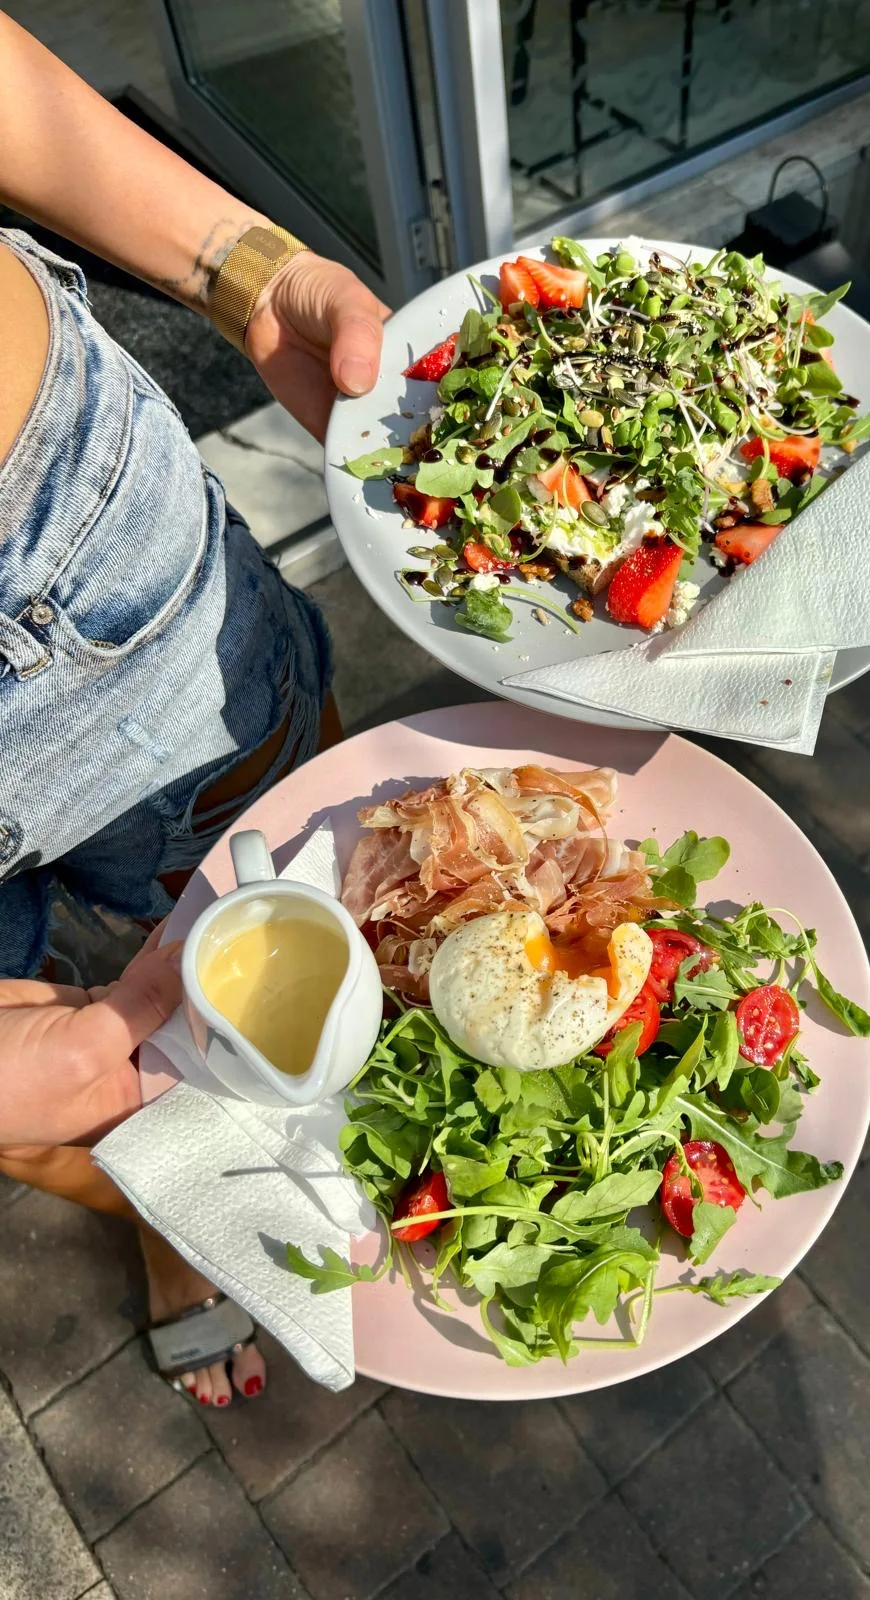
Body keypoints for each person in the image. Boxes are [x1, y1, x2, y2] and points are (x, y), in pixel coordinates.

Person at [0, 10, 388, 1404]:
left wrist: (248, 271)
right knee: (52, 1098)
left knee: (324, 915)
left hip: (72, 565)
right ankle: (184, 1221)